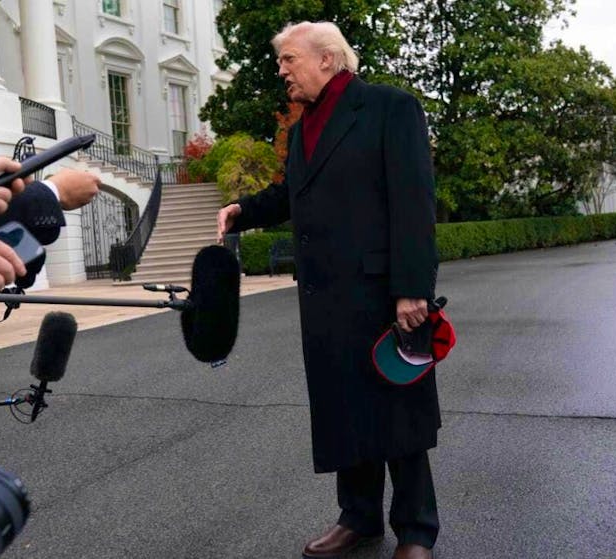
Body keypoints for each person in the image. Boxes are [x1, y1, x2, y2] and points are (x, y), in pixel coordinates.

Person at [216, 21, 440, 559]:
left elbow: (414, 201)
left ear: (328, 59)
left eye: (290, 59)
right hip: (325, 297)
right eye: (281, 62)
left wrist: (412, 288)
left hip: (384, 293)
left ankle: (416, 531)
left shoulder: (389, 108)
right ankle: (358, 518)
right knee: (344, 407)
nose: (282, 70)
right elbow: (291, 193)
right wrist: (243, 211)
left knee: (396, 409)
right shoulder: (304, 127)